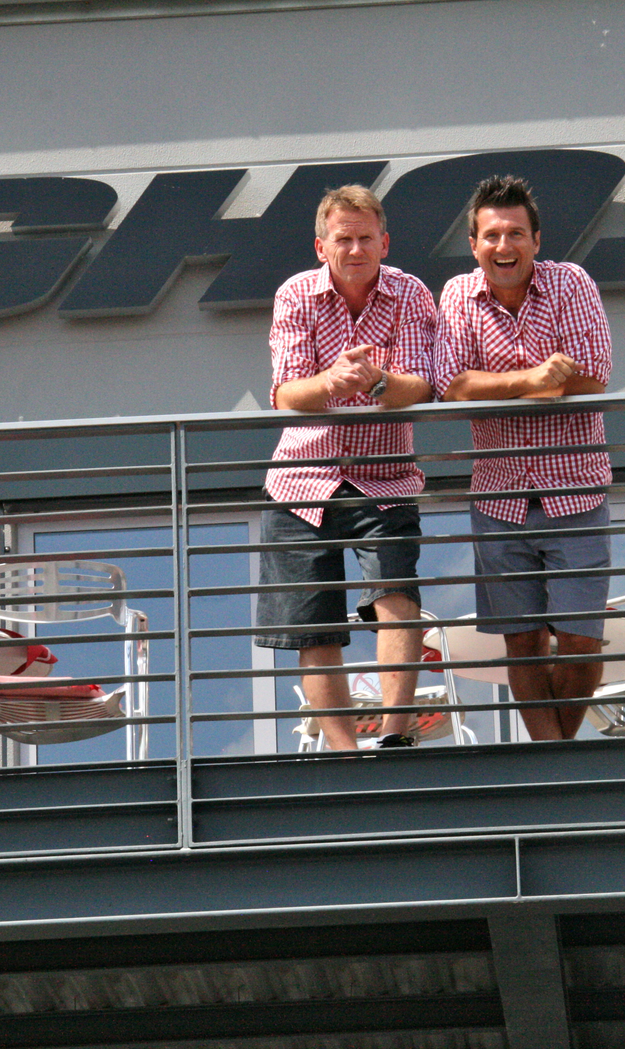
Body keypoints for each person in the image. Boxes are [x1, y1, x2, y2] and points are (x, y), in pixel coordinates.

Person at [256, 185, 436, 750]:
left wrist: (377, 381)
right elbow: (286, 393)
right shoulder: (296, 295)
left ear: (385, 242)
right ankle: (342, 753)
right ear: (321, 246)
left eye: (365, 238)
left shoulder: (409, 293)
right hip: (300, 479)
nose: (355, 249)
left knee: (397, 600)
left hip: (384, 476)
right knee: (316, 625)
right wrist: (331, 382)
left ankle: (394, 738)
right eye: (343, 239)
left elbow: (424, 386)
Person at [433, 174, 613, 741]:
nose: (503, 246)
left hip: (575, 489)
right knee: (523, 644)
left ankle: (552, 763)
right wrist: (534, 380)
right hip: (499, 496)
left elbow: (594, 374)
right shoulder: (458, 294)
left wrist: (505, 387)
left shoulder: (572, 283)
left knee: (582, 642)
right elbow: (451, 386)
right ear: (474, 244)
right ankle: (555, 765)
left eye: (515, 233)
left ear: (537, 239)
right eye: (491, 236)